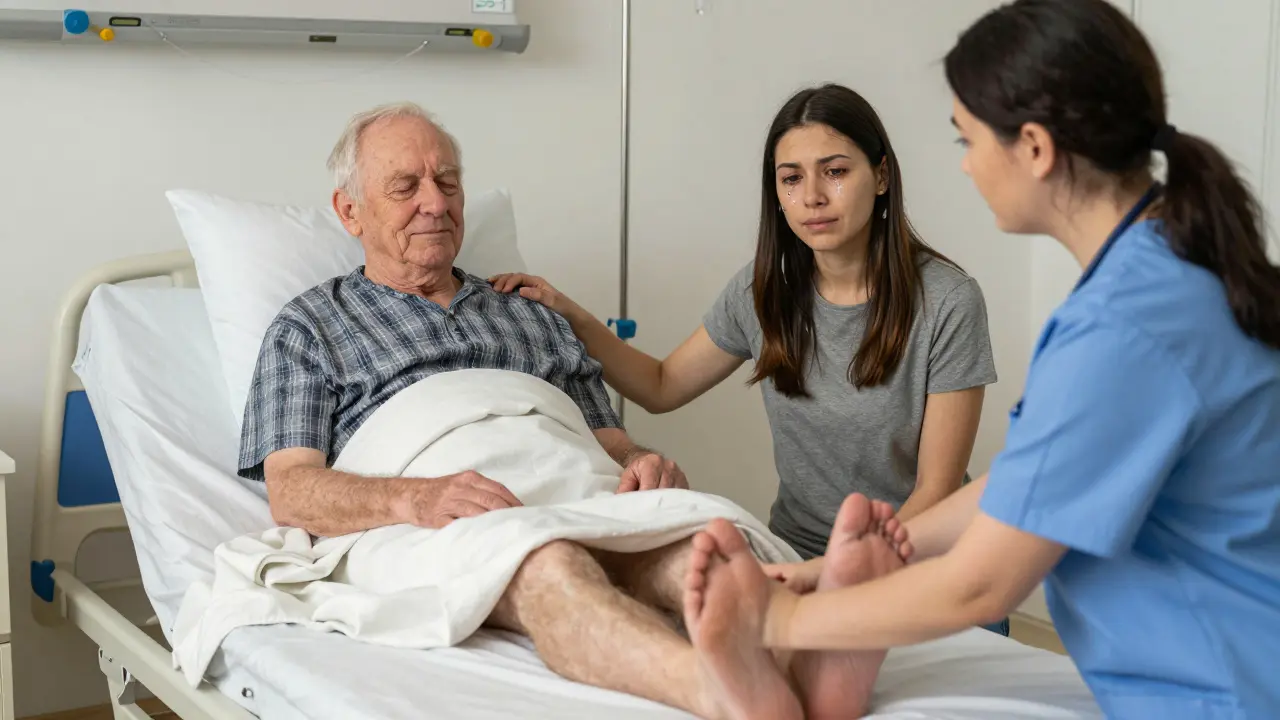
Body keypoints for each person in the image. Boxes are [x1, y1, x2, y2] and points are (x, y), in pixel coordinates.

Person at [681, 0, 1280, 718]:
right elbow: (1024, 483)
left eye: (967, 140)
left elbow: (981, 587)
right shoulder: (1163, 273)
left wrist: (773, 623)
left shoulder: (1126, 326)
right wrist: (818, 574)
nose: (965, 167)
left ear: (1033, 148)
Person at [239, 101, 896, 720]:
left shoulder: (528, 312)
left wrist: (641, 462)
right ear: (349, 212)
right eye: (406, 186)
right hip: (434, 521)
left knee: (696, 547)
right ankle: (718, 692)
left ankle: (810, 666)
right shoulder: (309, 328)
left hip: (573, 490)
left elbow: (603, 440)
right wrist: (414, 498)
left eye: (448, 181)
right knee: (547, 562)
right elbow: (291, 490)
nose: (435, 203)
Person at [491, 83, 998, 562]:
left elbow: (936, 489)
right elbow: (661, 386)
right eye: (792, 178)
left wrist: (839, 578)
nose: (813, 196)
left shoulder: (947, 300)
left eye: (836, 171)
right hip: (798, 552)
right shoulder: (764, 292)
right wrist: (572, 316)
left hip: (923, 556)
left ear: (882, 176)